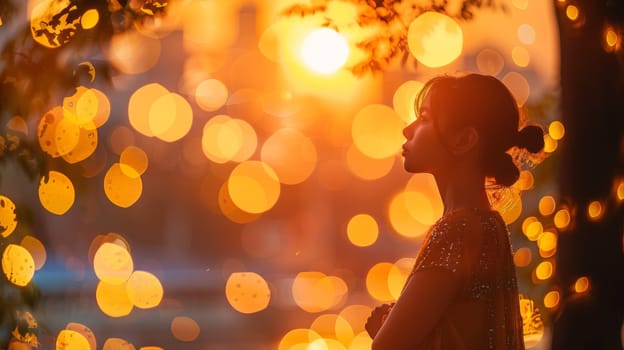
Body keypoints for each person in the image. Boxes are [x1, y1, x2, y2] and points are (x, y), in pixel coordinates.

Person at [365, 73, 544, 349]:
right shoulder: (489, 225)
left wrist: (382, 326)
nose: (408, 130)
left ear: (464, 140)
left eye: (424, 119)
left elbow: (388, 346)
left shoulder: (457, 230)